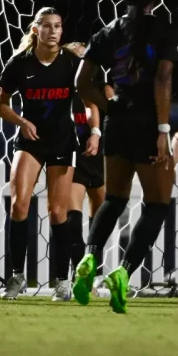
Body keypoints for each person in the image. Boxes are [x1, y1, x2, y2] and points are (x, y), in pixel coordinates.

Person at [72, 0, 178, 313]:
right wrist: (163, 130)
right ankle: (123, 272)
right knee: (158, 203)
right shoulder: (162, 29)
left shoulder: (107, 32)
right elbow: (162, 78)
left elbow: (81, 81)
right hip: (148, 125)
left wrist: (108, 106)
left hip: (118, 124)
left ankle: (89, 258)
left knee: (114, 198)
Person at [0, 7, 81, 301]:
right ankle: (16, 277)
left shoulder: (71, 62)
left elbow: (91, 95)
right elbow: (0, 103)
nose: (53, 31)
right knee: (19, 206)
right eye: (47, 26)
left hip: (62, 141)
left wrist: (94, 131)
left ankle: (63, 281)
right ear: (36, 30)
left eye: (58, 26)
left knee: (57, 212)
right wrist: (22, 121)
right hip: (30, 141)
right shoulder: (20, 63)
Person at [64, 41, 105, 224]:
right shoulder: (61, 90)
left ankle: (92, 252)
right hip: (74, 157)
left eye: (83, 58)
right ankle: (74, 251)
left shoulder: (101, 89)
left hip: (99, 157)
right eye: (73, 58)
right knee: (72, 218)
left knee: (99, 220)